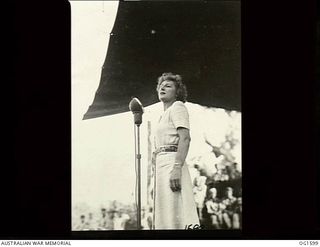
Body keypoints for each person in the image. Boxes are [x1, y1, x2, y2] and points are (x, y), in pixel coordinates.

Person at [153, 72, 199, 229]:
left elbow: (185, 138)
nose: (163, 87)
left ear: (177, 92)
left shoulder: (177, 107)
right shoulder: (163, 115)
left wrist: (177, 168)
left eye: (168, 86)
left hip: (172, 163)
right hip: (162, 165)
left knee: (176, 212)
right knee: (165, 215)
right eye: (161, 85)